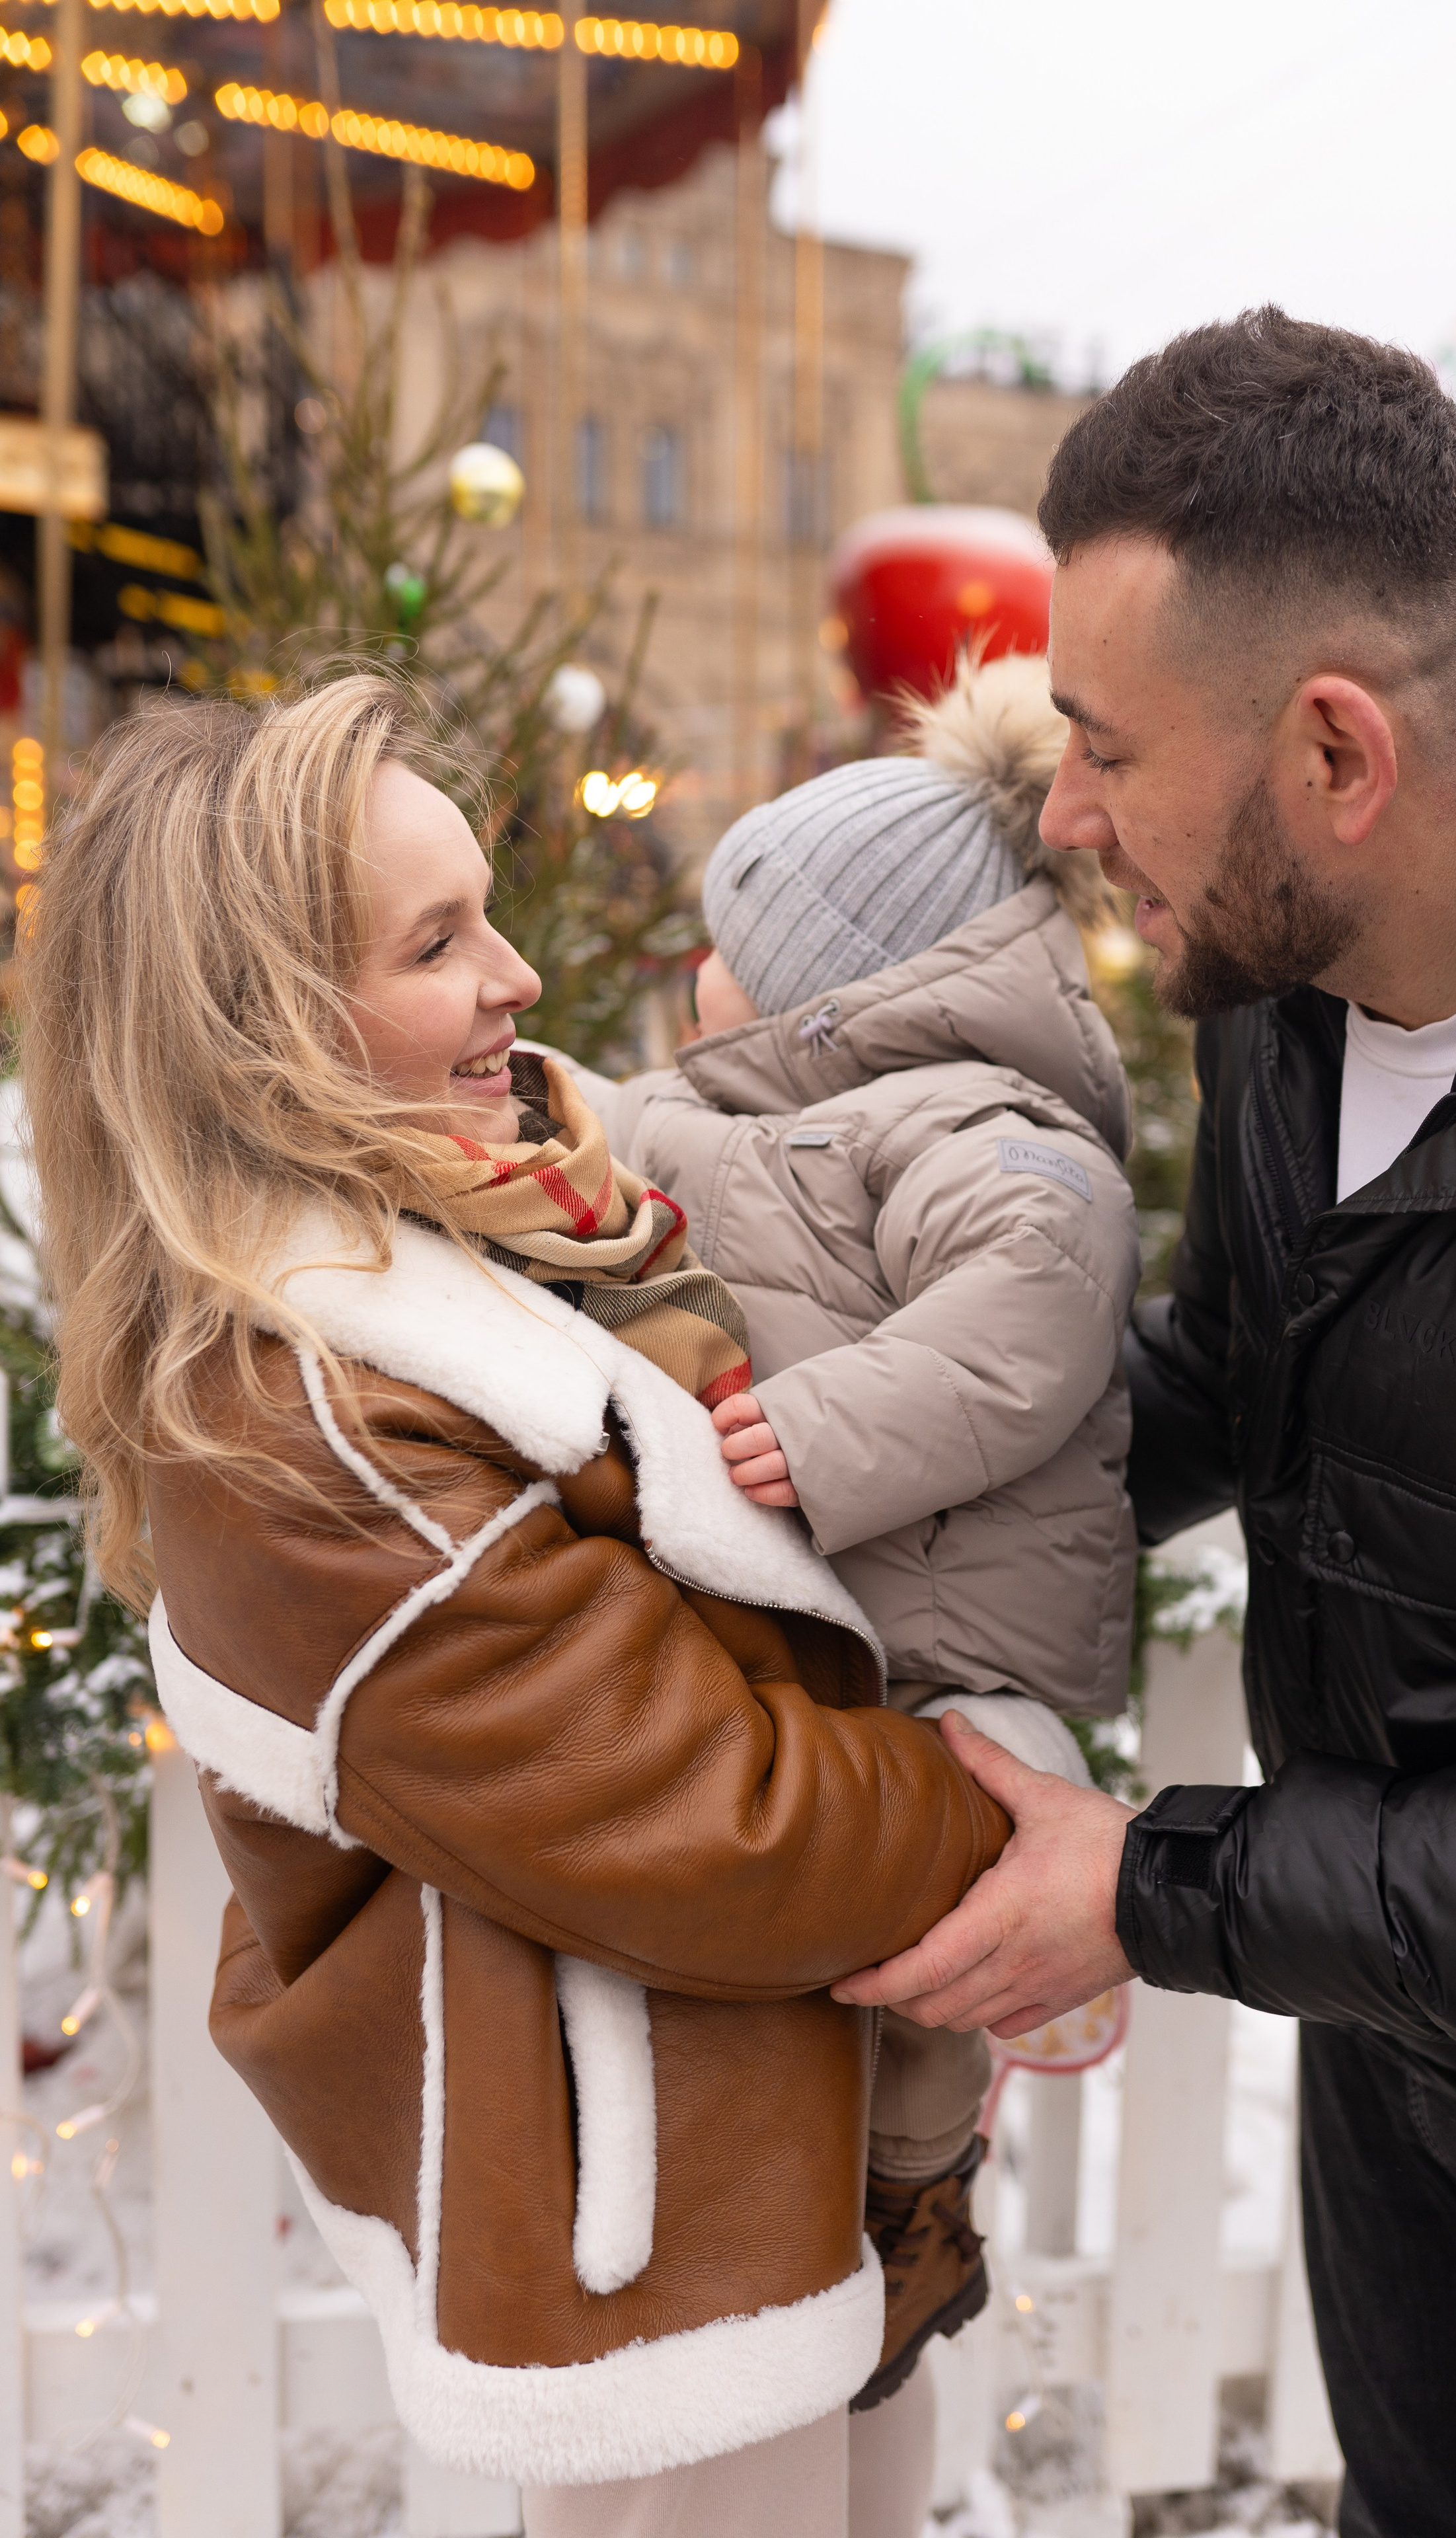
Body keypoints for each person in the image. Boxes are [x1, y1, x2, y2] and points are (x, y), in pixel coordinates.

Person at [836, 308, 1456, 2538]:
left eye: (1108, 744)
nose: (1063, 809)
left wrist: (1151, 1878)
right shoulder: (1288, 1000)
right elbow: (1238, 1366)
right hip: (1389, 2021)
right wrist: (849, 1453)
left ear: (1335, 752)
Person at [20, 673, 1016, 2538]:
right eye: (436, 940)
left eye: (487, 911)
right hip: (655, 2248)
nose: (521, 979)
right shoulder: (303, 1422)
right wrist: (1012, 1823)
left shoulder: (545, 1224)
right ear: (261, 1028)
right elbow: (714, 1825)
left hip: (797, 2147)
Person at [566, 650, 1138, 2411]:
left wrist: (821, 1434)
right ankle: (845, 2204)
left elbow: (1041, 1293)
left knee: (923, 1955)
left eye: (734, 939)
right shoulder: (743, 1110)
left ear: (841, 981)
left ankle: (922, 2205)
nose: (696, 971)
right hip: (814, 1626)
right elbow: (611, 1157)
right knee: (824, 1945)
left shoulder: (976, 1126)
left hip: (956, 1639)